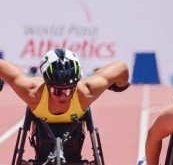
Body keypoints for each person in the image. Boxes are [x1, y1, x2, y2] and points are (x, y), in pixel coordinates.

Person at [0, 48, 129, 123]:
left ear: (76, 85)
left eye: (68, 91)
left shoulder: (86, 92)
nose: (63, 96)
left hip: (73, 130)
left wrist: (120, 84)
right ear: (46, 84)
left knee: (97, 79)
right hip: (44, 126)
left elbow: (122, 67)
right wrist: (119, 85)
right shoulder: (32, 92)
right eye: (56, 91)